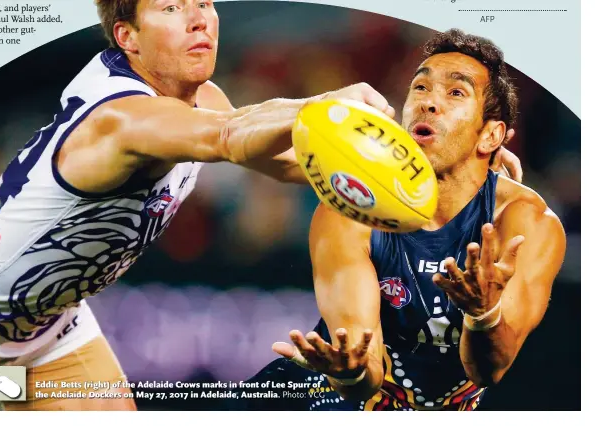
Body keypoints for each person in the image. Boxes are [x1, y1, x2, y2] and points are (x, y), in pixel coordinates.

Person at [0, 0, 520, 410]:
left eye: (203, 2)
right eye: (172, 8)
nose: (199, 19)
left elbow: (295, 164)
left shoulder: (200, 96)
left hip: (48, 332)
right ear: (128, 36)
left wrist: (456, 175)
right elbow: (227, 138)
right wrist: (323, 106)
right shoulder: (121, 117)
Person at [239, 29, 564, 411]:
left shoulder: (528, 222)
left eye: (455, 93)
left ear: (491, 135)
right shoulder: (352, 210)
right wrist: (349, 371)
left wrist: (482, 314)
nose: (428, 102)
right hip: (314, 398)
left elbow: (490, 370)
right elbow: (365, 373)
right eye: (420, 87)